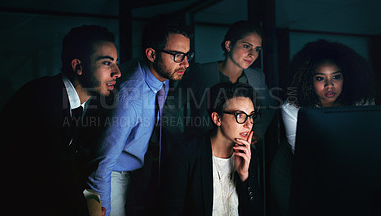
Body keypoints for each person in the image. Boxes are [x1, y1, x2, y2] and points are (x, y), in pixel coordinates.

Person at [0, 25, 121, 216]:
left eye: (116, 62)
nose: (118, 72)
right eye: (107, 63)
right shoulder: (44, 100)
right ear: (78, 67)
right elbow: (51, 176)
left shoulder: (79, 104)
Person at [87, 15, 193, 216]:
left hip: (137, 170)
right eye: (178, 55)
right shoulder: (130, 99)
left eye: (188, 55)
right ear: (152, 54)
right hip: (111, 174)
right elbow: (101, 167)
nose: (186, 63)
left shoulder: (161, 74)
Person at [271, 39, 376, 216]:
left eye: (336, 76)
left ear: (346, 77)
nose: (330, 85)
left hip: (346, 169)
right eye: (320, 78)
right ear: (308, 80)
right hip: (295, 170)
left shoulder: (361, 100)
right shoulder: (293, 107)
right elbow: (306, 155)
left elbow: (367, 144)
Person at [163, 20, 276, 147]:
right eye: (246, 46)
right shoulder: (201, 72)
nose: (252, 54)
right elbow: (168, 108)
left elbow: (270, 107)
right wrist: (180, 141)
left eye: (257, 49)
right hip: (201, 150)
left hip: (239, 153)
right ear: (228, 45)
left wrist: (258, 132)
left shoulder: (256, 77)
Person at [160, 82, 264, 216]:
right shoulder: (187, 154)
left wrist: (244, 176)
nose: (249, 124)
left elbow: (256, 212)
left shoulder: (248, 155)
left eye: (251, 116)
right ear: (217, 118)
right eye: (240, 115)